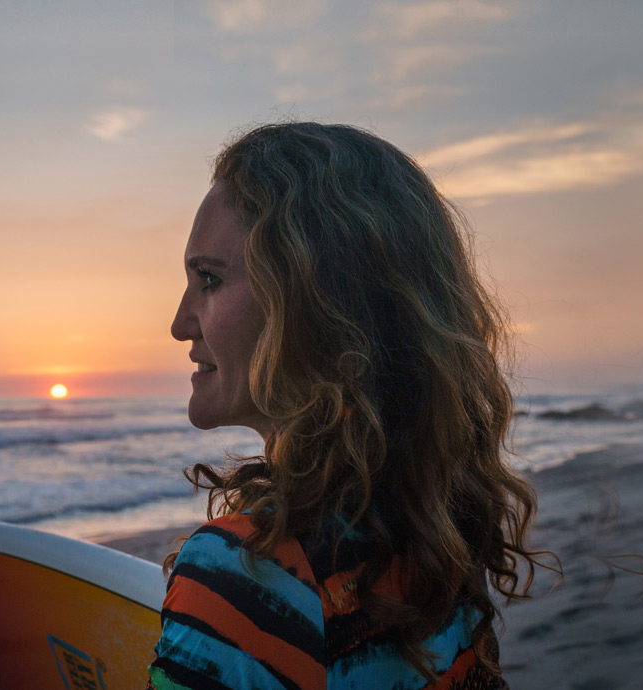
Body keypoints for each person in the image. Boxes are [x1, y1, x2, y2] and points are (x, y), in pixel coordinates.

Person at [147, 122, 549, 690]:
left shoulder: (250, 572)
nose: (180, 323)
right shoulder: (441, 529)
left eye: (209, 279)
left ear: (315, 304)